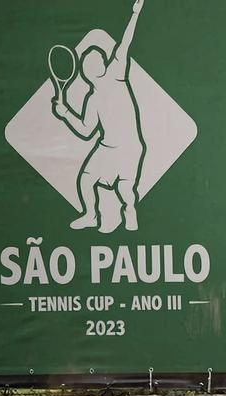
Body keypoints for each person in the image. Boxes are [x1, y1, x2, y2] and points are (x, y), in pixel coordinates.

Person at [52, 0, 146, 233]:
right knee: (85, 179)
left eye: (97, 59)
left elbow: (125, 43)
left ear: (103, 64)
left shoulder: (116, 73)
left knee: (126, 190)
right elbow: (85, 130)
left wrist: (135, 14)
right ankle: (91, 215)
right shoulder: (91, 99)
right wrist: (65, 114)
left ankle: (130, 211)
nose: (93, 63)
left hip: (130, 147)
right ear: (84, 73)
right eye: (88, 63)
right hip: (106, 147)